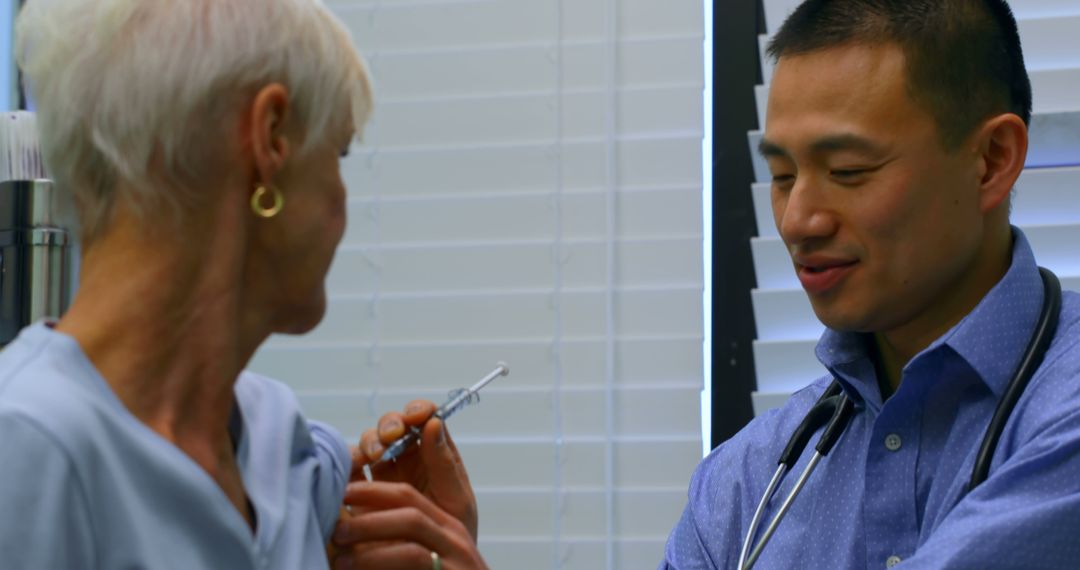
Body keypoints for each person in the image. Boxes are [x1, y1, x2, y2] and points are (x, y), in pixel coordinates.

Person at [0, 0, 486, 568]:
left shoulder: (283, 445)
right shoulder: (27, 454)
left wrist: (429, 540)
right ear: (270, 139)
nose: (342, 201)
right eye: (338, 152)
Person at [661, 0, 1080, 568]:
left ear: (991, 160)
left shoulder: (1062, 405)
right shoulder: (741, 489)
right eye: (782, 176)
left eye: (848, 172)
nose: (797, 221)